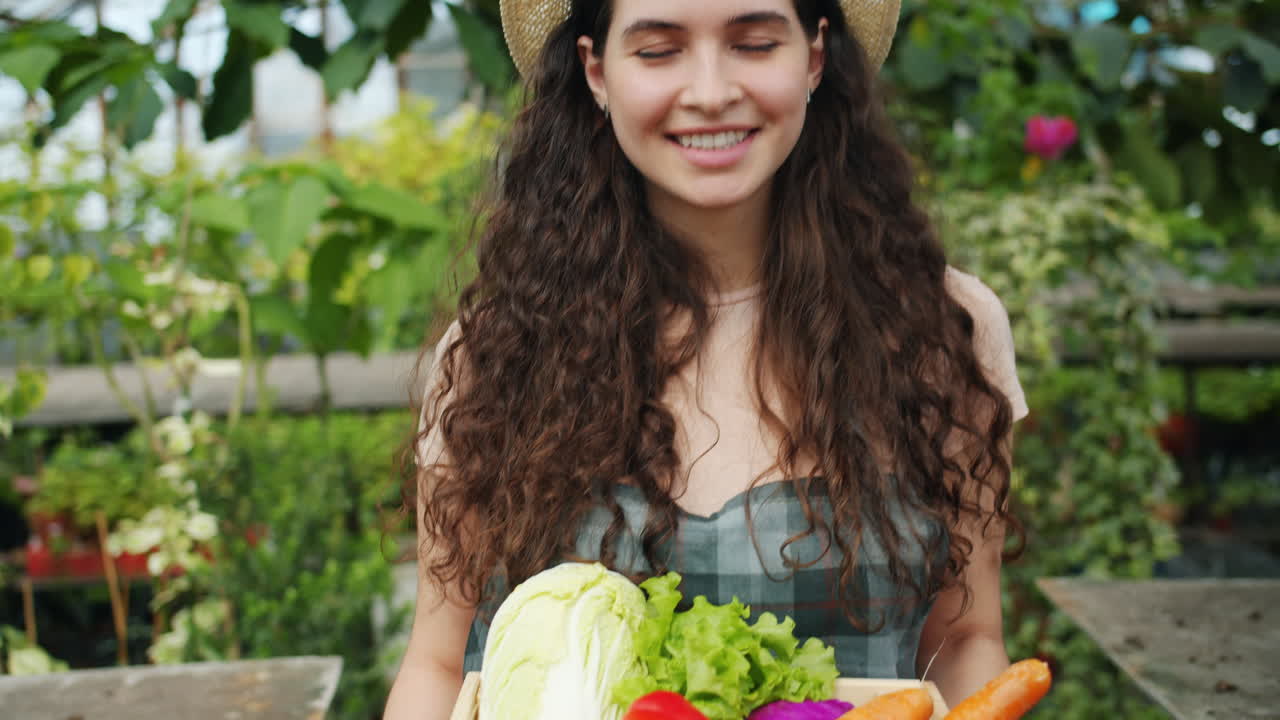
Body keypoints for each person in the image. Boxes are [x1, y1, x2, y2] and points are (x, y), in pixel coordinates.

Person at [384, 0, 1029, 718]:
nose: (711, 91)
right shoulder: (498, 352)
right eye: (659, 51)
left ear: (815, 56)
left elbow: (966, 639)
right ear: (596, 71)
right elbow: (439, 664)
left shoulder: (943, 331)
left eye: (753, 43)